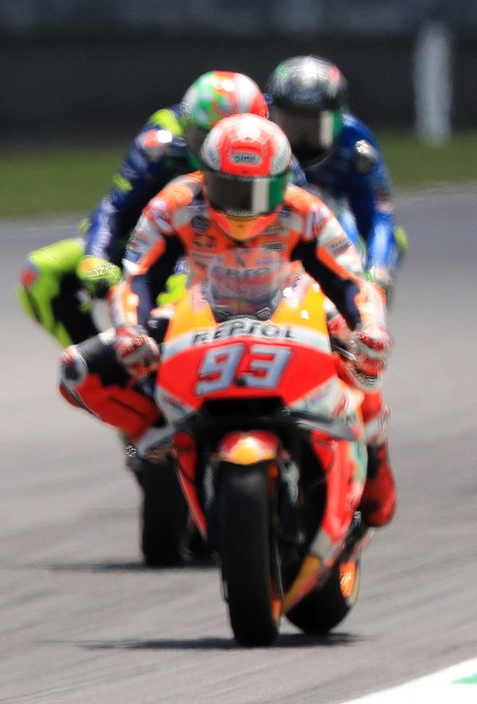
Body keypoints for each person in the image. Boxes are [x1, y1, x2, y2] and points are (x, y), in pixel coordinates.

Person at [57, 114, 397, 527]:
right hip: (202, 308)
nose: (241, 206)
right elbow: (138, 278)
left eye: (254, 192)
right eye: (229, 188)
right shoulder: (175, 204)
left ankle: (374, 451)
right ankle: (155, 434)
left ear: (280, 182)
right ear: (205, 174)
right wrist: (132, 330)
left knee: (364, 356)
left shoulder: (306, 210)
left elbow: (350, 281)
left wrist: (369, 326)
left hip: (293, 302)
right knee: (78, 370)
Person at [18, 70, 270, 348]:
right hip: (153, 246)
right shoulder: (160, 139)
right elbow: (116, 207)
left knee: (177, 290)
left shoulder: (272, 148)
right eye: (204, 138)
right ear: (187, 125)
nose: (213, 153)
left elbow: (300, 211)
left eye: (225, 140)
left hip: (238, 256)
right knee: (41, 273)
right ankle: (106, 369)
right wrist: (95, 257)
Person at [266, 55, 404, 297]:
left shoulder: (357, 145)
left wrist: (378, 270)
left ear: (339, 117)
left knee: (388, 247)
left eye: (313, 127)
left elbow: (379, 213)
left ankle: (358, 306)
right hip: (270, 220)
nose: (302, 141)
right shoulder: (257, 132)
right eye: (292, 126)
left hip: (332, 216)